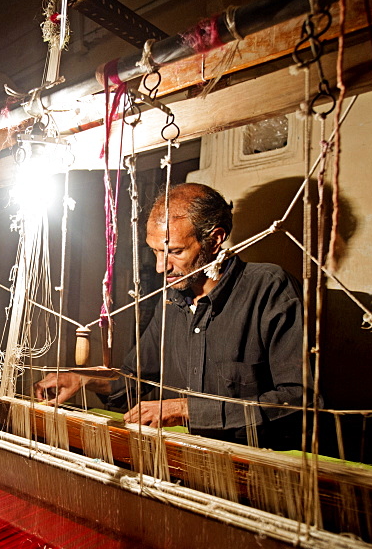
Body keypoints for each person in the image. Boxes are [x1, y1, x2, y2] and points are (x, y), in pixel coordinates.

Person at [33, 183, 306, 449]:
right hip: (181, 458)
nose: (161, 266)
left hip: (256, 467)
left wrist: (186, 410)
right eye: (155, 251)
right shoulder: (171, 299)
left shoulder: (269, 288)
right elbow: (133, 379)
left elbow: (298, 400)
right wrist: (82, 380)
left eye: (174, 251)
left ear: (215, 240)